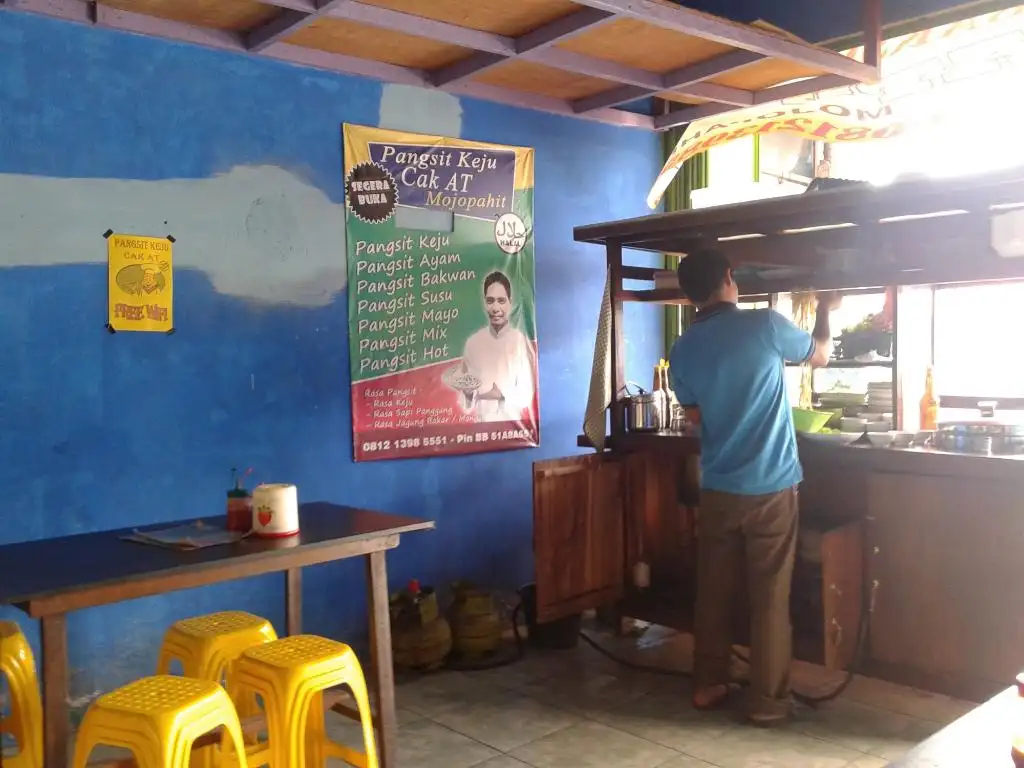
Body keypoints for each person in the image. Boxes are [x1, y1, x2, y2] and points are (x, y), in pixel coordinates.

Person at [667, 248, 838, 726]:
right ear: (727, 278)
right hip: (771, 487)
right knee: (769, 598)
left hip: (719, 486)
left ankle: (707, 684)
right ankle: (767, 703)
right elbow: (820, 355)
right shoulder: (764, 325)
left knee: (714, 592)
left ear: (688, 295)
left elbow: (696, 417)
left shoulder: (683, 348)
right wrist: (825, 307)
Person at [460, 271, 536, 423]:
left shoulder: (520, 341)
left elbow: (526, 395)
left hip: (513, 429)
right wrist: (467, 393)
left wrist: (500, 394)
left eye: (501, 301)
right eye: (490, 301)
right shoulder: (473, 343)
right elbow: (466, 404)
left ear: (510, 302)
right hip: (481, 430)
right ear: (484, 302)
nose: (495, 308)